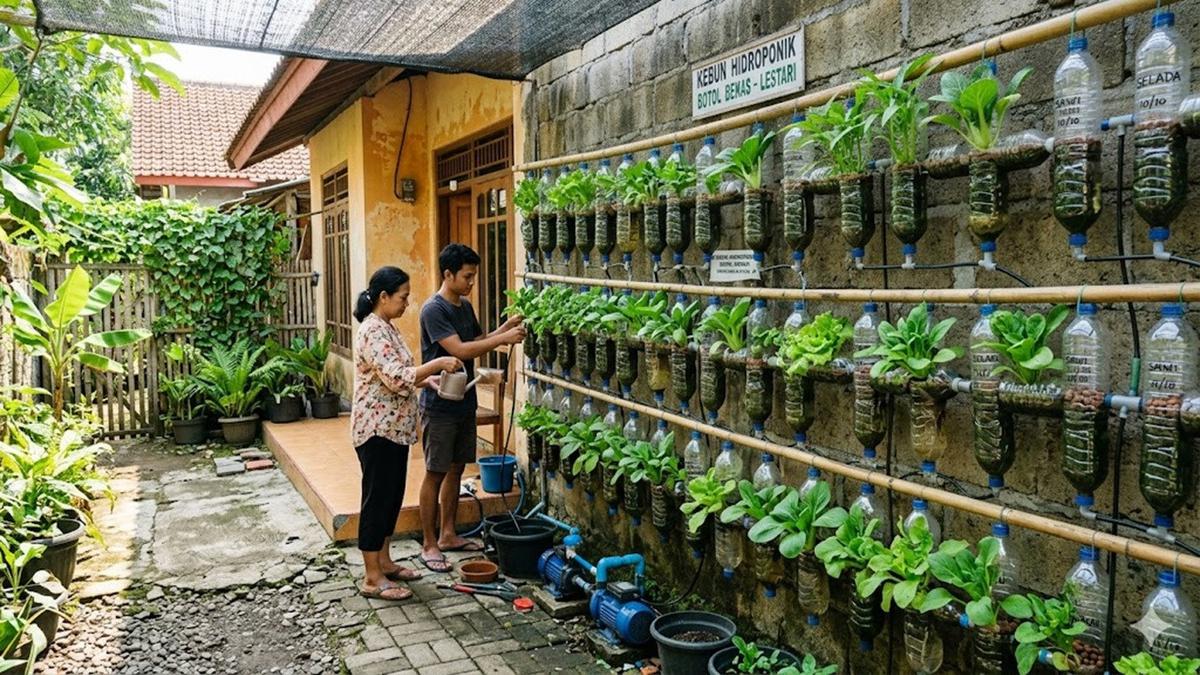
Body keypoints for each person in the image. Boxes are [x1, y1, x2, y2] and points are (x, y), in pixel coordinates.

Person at [352, 266, 462, 601]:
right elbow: (396, 376)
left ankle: (384, 562)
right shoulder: (372, 330)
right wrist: (438, 365)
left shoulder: (387, 327)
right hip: (376, 430)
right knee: (376, 501)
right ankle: (371, 577)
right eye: (402, 297)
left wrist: (424, 379)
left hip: (394, 430)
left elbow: (400, 375)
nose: (406, 304)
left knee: (390, 499)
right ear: (383, 297)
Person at [418, 243, 525, 572]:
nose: (471, 283)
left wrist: (505, 328)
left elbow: (478, 340)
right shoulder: (433, 310)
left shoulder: (464, 305)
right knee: (435, 472)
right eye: (467, 276)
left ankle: (449, 534)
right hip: (439, 403)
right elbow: (461, 349)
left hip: (464, 399)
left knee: (455, 469)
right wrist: (502, 340)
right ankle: (429, 542)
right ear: (447, 274)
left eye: (474, 276)